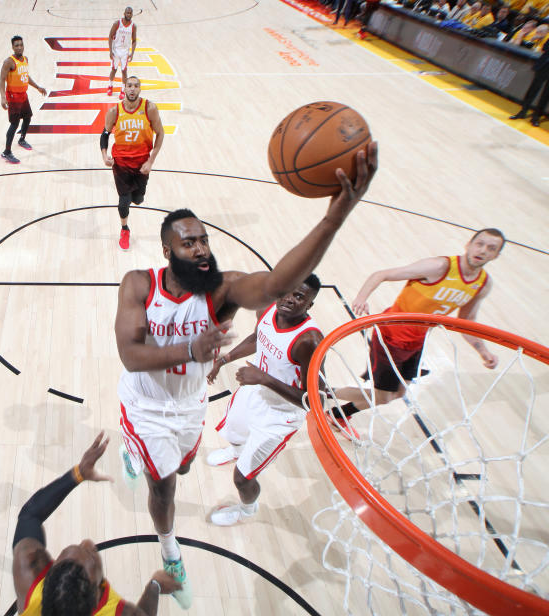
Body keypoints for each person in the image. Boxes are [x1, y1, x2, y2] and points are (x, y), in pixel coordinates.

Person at [115, 142, 378, 608]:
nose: (200, 250)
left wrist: (336, 216)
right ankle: (170, 549)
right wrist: (190, 348)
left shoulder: (224, 288)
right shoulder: (139, 283)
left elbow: (276, 284)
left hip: (191, 403)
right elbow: (131, 355)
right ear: (166, 250)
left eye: (203, 241)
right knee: (164, 483)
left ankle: (140, 453)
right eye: (188, 243)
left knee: (186, 464)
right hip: (147, 403)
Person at [331, 228, 504, 428]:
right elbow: (382, 274)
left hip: (417, 340)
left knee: (399, 393)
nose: (482, 250)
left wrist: (483, 352)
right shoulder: (439, 267)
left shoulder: (482, 284)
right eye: (479, 244)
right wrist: (361, 297)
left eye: (491, 248)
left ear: (496, 255)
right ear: (469, 244)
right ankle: (334, 407)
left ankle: (334, 403)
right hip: (391, 336)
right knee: (384, 396)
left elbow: (467, 321)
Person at [12, 432, 182, 615]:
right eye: (91, 555)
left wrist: (78, 474)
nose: (87, 542)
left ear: (46, 584)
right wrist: (155, 586)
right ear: (95, 599)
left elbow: (30, 515)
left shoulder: (28, 569)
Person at [203, 275, 325, 526]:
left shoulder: (309, 341)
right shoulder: (269, 308)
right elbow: (258, 337)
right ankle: (237, 451)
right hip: (256, 392)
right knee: (234, 433)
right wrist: (225, 359)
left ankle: (247, 510)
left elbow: (315, 400)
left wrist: (264, 378)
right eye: (288, 291)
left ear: (309, 305)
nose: (289, 299)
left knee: (242, 479)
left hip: (280, 415)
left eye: (299, 296)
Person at [100, 76, 164, 251]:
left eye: (136, 86)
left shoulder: (149, 108)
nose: (132, 89)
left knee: (138, 199)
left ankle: (135, 198)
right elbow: (104, 134)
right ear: (125, 88)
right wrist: (105, 155)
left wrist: (151, 161)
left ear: (140, 89)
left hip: (142, 162)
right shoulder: (114, 111)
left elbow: (160, 133)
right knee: (124, 201)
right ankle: (124, 229)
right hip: (121, 163)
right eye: (129, 86)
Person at [0, 35, 46, 164]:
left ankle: (22, 139)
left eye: (21, 45)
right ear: (12, 47)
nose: (19, 47)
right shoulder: (9, 62)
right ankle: (6, 152)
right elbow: (2, 79)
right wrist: (3, 97)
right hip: (13, 97)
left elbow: (25, 76)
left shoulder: (25, 59)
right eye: (16, 45)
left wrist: (37, 87)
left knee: (28, 117)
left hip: (23, 95)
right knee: (14, 124)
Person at [107, 6, 136, 100]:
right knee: (114, 70)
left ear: (132, 14)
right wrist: (110, 51)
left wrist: (132, 52)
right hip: (116, 49)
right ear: (124, 13)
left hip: (125, 51)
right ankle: (110, 86)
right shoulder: (117, 23)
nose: (129, 14)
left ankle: (123, 90)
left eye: (130, 13)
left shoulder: (133, 26)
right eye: (127, 13)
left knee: (124, 71)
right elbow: (110, 36)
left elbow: (134, 40)